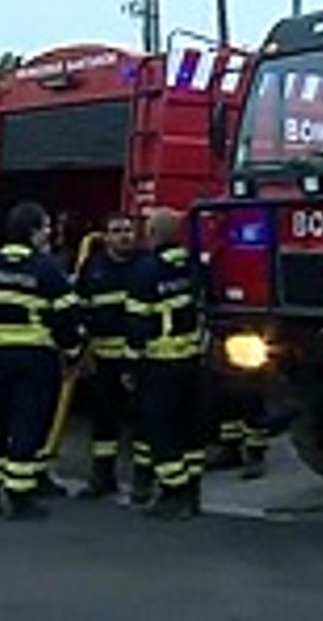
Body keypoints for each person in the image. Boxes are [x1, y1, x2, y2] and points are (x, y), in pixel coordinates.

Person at [0, 202, 81, 520]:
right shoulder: (46, 268)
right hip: (34, 358)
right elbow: (66, 317)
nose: (49, 233)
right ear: (32, 232)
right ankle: (20, 493)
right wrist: (72, 351)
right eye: (45, 227)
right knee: (28, 423)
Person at [126, 208, 207, 519]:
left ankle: (174, 493)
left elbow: (137, 324)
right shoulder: (194, 265)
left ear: (153, 234)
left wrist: (131, 366)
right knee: (189, 429)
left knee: (160, 429)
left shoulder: (146, 271)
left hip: (160, 363)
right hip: (192, 359)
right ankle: (192, 492)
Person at [73, 212, 153, 502]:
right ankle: (102, 477)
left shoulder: (146, 266)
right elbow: (80, 310)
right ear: (105, 237)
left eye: (128, 230)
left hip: (141, 359)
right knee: (103, 420)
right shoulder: (93, 268)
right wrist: (81, 352)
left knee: (143, 420)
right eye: (117, 231)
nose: (124, 236)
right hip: (103, 359)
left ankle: (144, 481)